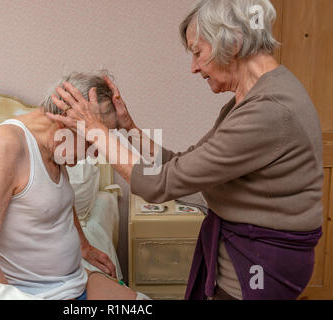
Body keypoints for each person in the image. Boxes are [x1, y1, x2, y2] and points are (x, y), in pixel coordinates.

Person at [46, 0, 324, 300]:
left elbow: (159, 184)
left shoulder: (268, 110)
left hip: (259, 262)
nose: (193, 68)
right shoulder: (253, 99)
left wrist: (97, 132)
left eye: (197, 52)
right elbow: (181, 164)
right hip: (250, 251)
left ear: (232, 42)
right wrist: (129, 129)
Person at [0, 72, 144, 300]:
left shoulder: (55, 146)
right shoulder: (4, 143)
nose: (96, 152)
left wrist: (84, 246)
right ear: (65, 119)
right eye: (92, 140)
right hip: (32, 293)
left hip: (74, 281)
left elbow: (58, 200)